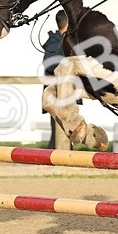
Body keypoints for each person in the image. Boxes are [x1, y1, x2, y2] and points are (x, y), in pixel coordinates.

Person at [42, 11, 69, 150]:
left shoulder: (65, 39)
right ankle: (51, 160)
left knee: (68, 129)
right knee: (58, 130)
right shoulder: (55, 41)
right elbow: (49, 63)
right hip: (56, 93)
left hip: (66, 92)